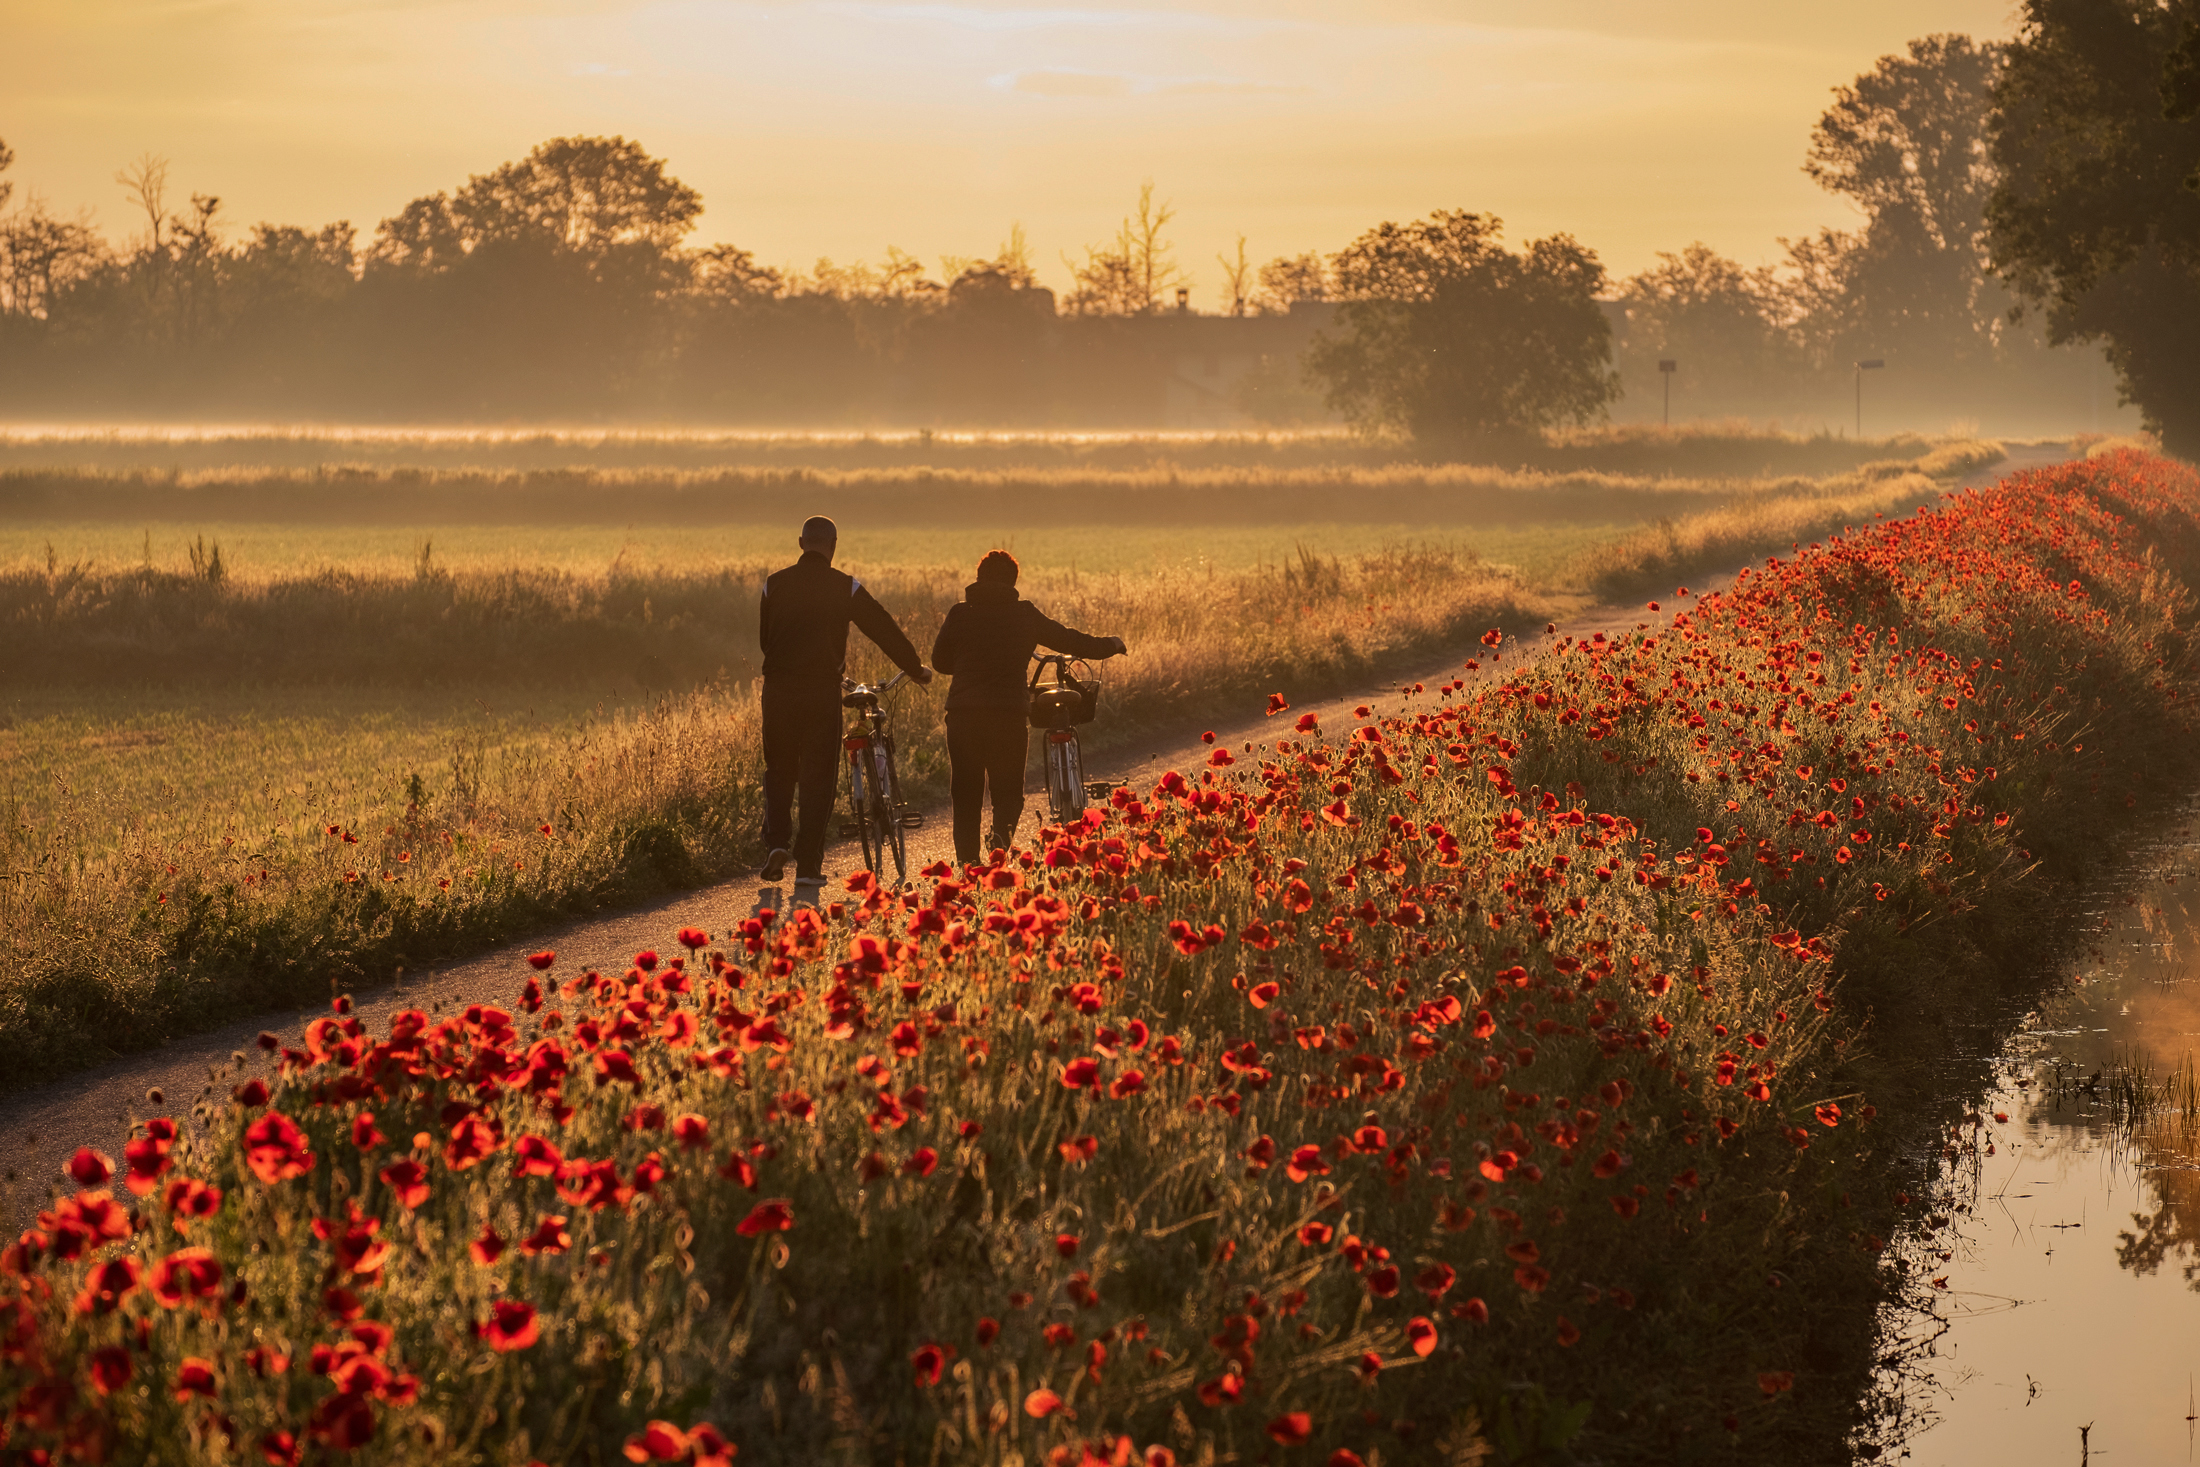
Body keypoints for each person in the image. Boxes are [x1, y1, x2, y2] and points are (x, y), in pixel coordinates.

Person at [758, 516, 933, 899]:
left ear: (801, 543)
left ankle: (776, 843)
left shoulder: (774, 584)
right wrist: (913, 667)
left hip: (778, 691)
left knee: (779, 768)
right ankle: (808, 866)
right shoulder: (845, 586)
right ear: (833, 545)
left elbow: (765, 640)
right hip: (820, 691)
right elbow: (882, 627)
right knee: (818, 775)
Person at [929, 549, 1125, 866]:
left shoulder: (959, 613)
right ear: (1013, 581)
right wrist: (1110, 644)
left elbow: (939, 662)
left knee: (966, 796)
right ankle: (997, 858)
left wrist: (968, 665)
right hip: (1007, 716)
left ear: (978, 578)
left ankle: (968, 868)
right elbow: (1070, 640)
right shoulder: (1024, 614)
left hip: (964, 716)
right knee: (1007, 795)